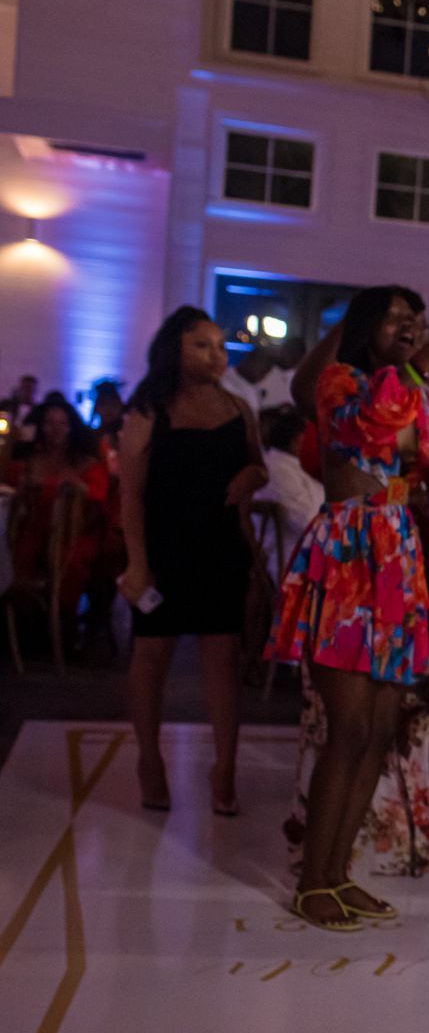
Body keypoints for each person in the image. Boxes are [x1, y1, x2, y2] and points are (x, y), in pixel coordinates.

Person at [267, 285, 429, 930]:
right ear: (366, 328)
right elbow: (368, 422)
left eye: (416, 319)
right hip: (346, 555)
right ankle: (313, 880)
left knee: (375, 734)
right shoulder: (339, 383)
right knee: (346, 729)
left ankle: (338, 876)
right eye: (396, 317)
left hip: (399, 560)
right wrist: (422, 366)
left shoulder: (425, 396)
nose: (411, 325)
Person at [119, 309, 267, 814]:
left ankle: (224, 766)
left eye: (221, 346)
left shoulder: (237, 406)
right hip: (164, 546)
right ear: (175, 350)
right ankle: (148, 759)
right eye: (202, 345)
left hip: (221, 544)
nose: (216, 355)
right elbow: (131, 496)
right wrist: (138, 564)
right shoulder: (149, 410)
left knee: (223, 658)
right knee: (152, 655)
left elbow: (258, 463)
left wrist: (252, 474)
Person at [5, 397, 112, 637]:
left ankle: (62, 625)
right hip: (35, 529)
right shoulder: (31, 462)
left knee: (69, 561)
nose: (55, 430)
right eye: (49, 423)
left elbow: (96, 502)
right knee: (15, 555)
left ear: (71, 427)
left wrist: (76, 490)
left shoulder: (86, 463)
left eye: (61, 423)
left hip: (77, 532)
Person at [257, 407, 326, 566]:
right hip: (291, 561)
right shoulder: (275, 470)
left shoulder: (297, 467)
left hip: (312, 552)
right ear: (298, 440)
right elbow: (306, 520)